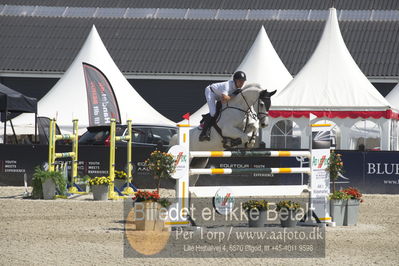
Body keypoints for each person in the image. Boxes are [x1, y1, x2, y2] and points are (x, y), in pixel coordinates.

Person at [199, 71, 247, 141]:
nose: (241, 83)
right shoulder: (227, 85)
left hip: (220, 95)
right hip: (211, 92)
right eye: (240, 81)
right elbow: (224, 99)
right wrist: (233, 95)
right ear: (235, 80)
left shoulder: (239, 88)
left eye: (243, 81)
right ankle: (203, 133)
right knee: (213, 113)